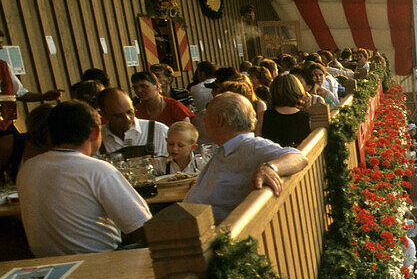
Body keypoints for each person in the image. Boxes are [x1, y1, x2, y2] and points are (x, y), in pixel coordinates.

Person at [16, 101, 152, 257]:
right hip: (100, 261)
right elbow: (143, 227)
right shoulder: (97, 169)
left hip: (46, 264)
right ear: (95, 132)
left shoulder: (27, 168)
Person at [184, 93, 307, 223]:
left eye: (207, 116)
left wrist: (270, 168)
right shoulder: (228, 147)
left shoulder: (250, 146)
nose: (203, 121)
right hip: (193, 224)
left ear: (218, 119)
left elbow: (299, 158)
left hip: (215, 233)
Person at [97, 87, 169, 158]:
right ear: (103, 115)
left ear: (134, 107)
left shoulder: (159, 131)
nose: (127, 119)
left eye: (130, 112)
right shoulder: (96, 139)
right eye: (118, 116)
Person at [260, 73, 313, 148]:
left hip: (273, 157)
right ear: (297, 89)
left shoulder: (264, 116)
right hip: (298, 157)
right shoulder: (306, 117)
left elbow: (258, 142)